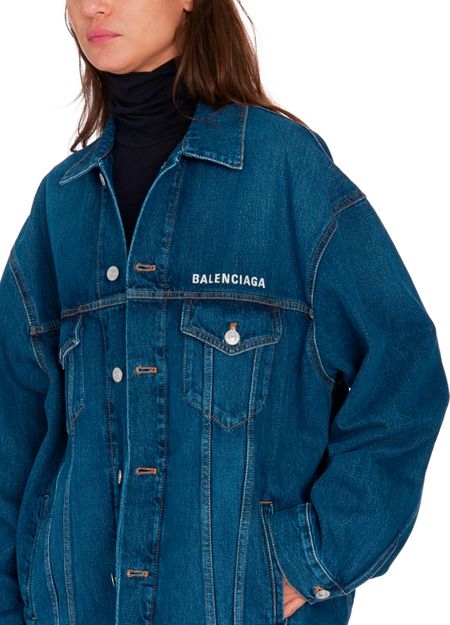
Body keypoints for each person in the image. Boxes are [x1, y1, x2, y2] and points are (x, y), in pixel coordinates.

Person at [0, 2, 448, 625]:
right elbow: (12, 434)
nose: (93, 6)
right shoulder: (61, 203)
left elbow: (404, 375)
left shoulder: (286, 173)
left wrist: (315, 557)